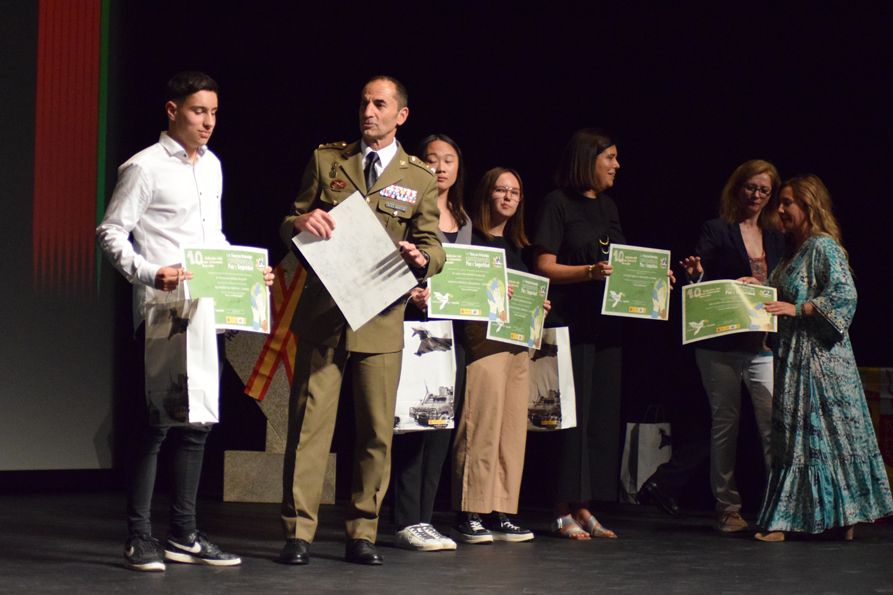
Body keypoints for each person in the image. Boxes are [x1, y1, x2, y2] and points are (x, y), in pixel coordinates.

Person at [97, 71, 272, 571]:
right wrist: (151, 272)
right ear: (172, 110)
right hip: (162, 314)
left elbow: (209, 239)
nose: (208, 121)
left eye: (214, 112)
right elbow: (111, 232)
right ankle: (139, 536)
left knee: (196, 425)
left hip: (204, 312)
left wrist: (244, 270)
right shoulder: (144, 167)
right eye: (199, 111)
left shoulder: (212, 166)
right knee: (155, 426)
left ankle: (185, 534)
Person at [277, 76, 445, 566]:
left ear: (401, 115)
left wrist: (421, 257)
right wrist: (299, 224)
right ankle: (298, 532)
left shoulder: (418, 176)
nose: (368, 111)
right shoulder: (329, 160)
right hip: (325, 313)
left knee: (375, 431)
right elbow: (290, 218)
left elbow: (434, 247)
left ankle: (362, 532)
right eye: (364, 102)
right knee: (310, 427)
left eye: (379, 104)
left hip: (381, 315)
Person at [753, 174, 892, 541]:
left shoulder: (822, 246)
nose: (780, 209)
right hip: (793, 358)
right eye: (780, 202)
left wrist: (798, 310)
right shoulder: (791, 249)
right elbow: (783, 295)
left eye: (787, 202)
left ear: (808, 206)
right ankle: (806, 518)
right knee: (797, 437)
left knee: (829, 435)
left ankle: (834, 518)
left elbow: (845, 296)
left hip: (822, 360)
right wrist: (760, 288)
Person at [669, 160, 785, 532]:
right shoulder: (717, 229)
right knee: (726, 424)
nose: (756, 195)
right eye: (750, 187)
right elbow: (701, 273)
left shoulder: (779, 233)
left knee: (772, 427)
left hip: (763, 343)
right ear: (737, 188)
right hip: (720, 345)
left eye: (764, 190)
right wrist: (702, 274)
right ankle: (728, 507)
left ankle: (777, 508)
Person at [532, 128, 624, 540]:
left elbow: (623, 263)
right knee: (568, 418)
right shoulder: (557, 204)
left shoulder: (609, 207)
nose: (617, 166)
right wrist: (587, 273)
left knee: (598, 419)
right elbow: (544, 265)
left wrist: (656, 281)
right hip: (568, 323)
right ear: (589, 159)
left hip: (605, 326)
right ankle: (559, 506)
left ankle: (585, 504)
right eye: (611, 157)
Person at [451, 167, 546, 544]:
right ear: (487, 194)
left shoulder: (518, 246)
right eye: (501, 190)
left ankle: (502, 510)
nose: (508, 197)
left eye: (515, 192)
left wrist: (536, 303)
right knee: (481, 427)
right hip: (485, 344)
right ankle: (470, 510)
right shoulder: (470, 238)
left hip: (518, 345)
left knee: (511, 432)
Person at [390, 134, 470, 552]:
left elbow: (467, 276)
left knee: (441, 423)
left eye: (449, 160)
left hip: (449, 330)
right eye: (432, 159)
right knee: (411, 420)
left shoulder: (463, 217)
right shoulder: (408, 209)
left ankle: (425, 517)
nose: (440, 167)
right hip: (412, 325)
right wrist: (410, 292)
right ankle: (404, 518)